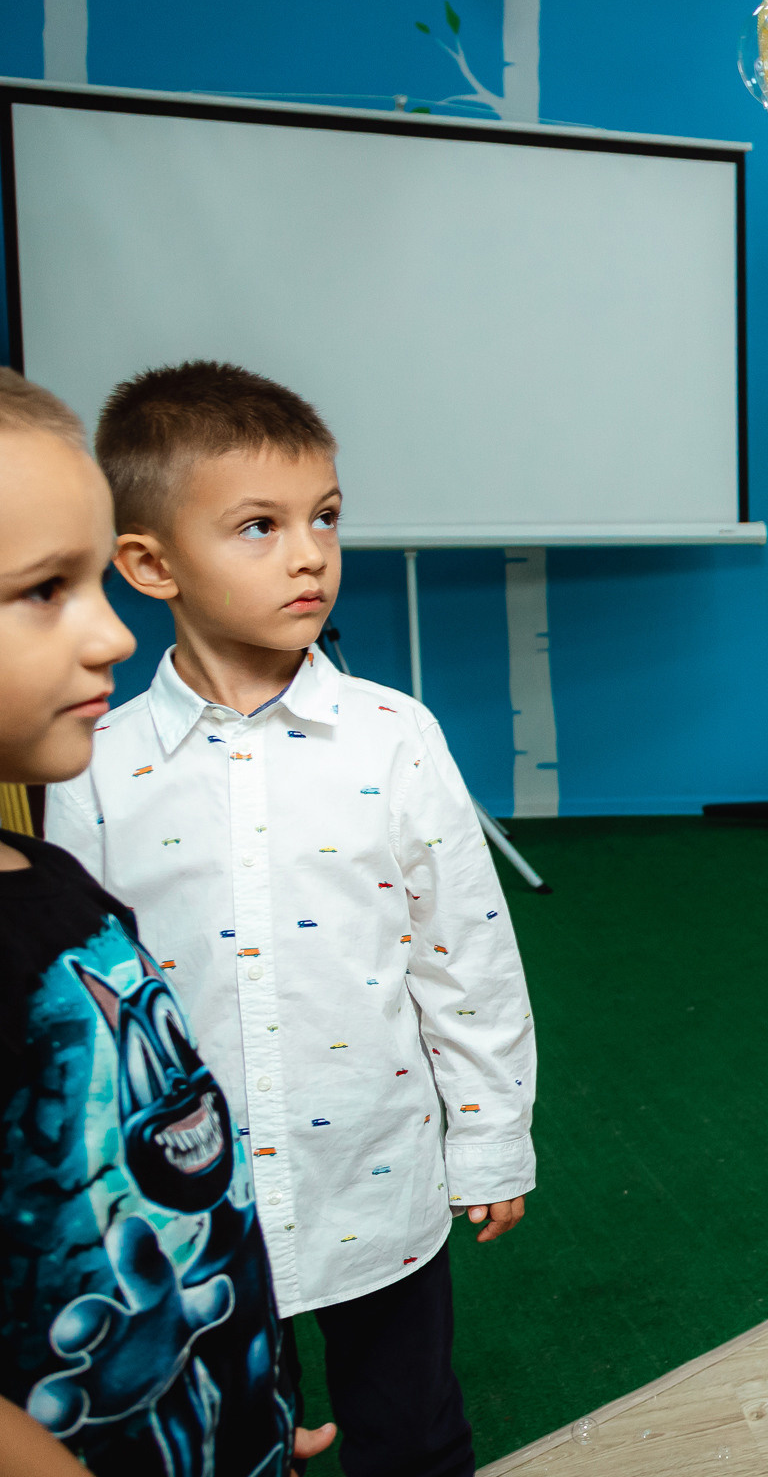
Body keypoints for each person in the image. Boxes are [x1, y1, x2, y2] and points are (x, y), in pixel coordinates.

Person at [46, 363, 538, 1477]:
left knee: (413, 1435)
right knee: (233, 1444)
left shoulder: (394, 735)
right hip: (189, 1206)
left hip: (375, 1173)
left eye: (325, 517)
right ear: (150, 564)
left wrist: (490, 1135)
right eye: (259, 527)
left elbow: (463, 956)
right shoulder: (97, 764)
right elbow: (84, 1006)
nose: (310, 553)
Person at [0, 368, 336, 1475]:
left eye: (94, 581)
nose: (110, 635)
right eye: (43, 590)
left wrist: (240, 1394)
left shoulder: (48, 880)